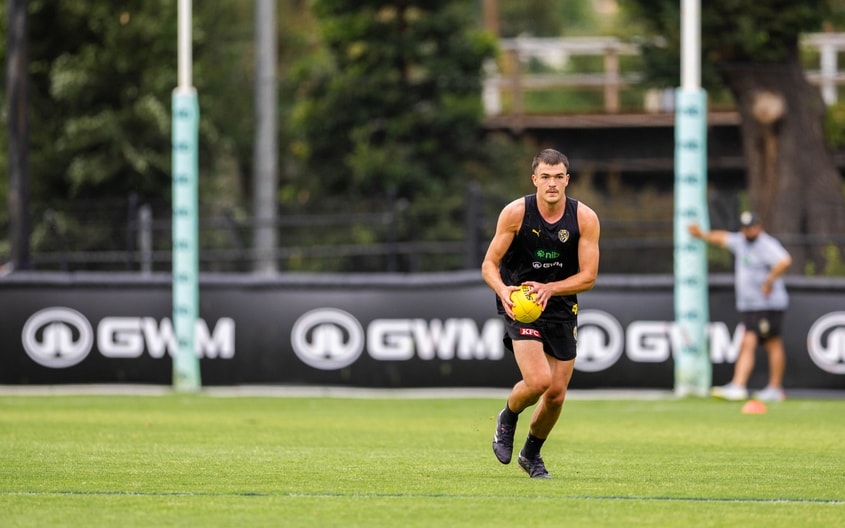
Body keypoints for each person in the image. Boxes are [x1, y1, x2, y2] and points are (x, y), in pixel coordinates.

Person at [481, 148, 600, 478]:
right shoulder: (515, 213)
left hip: (561, 305)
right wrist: (504, 291)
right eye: (545, 177)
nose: (552, 183)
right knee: (538, 381)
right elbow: (489, 265)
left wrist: (551, 288)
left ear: (567, 180)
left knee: (556, 396)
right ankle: (508, 416)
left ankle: (530, 454)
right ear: (535, 179)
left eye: (558, 177)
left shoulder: (584, 218)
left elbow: (588, 276)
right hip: (521, 303)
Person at [688, 211, 792, 402]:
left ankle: (768, 388)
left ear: (759, 226)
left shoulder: (766, 245)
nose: (748, 231)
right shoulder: (741, 241)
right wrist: (701, 235)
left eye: (751, 226)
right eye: (745, 227)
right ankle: (741, 385)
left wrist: (769, 282)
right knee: (751, 341)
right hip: (751, 305)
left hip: (767, 304)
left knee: (768, 342)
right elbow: (721, 238)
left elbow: (784, 261)